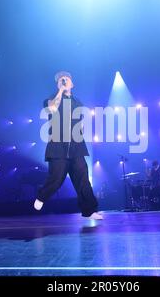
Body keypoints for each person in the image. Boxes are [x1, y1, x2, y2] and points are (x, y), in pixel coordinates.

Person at [33, 71, 103, 220]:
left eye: (66, 80)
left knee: (83, 179)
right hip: (58, 146)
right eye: (60, 80)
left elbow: (81, 122)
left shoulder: (78, 102)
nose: (64, 81)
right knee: (56, 178)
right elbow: (52, 109)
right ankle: (41, 197)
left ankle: (90, 210)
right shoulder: (50, 99)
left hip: (77, 146)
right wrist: (60, 90)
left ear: (72, 84)